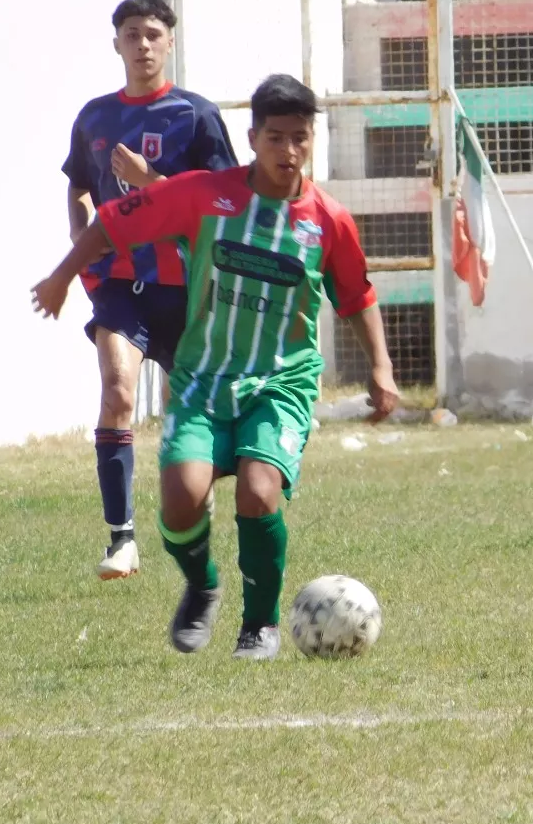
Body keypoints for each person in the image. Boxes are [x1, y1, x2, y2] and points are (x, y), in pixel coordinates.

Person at [33, 74, 400, 660]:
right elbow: (113, 222)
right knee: (181, 499)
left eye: (300, 138)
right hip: (204, 377)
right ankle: (202, 584)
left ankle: (260, 626)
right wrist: (60, 275)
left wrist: (381, 368)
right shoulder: (204, 194)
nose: (288, 151)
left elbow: (356, 294)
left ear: (312, 141)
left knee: (258, 491)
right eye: (275, 137)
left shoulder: (328, 220)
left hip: (280, 380)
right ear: (252, 137)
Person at [63, 0, 238, 581]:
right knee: (117, 390)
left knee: (194, 414)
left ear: (170, 42)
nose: (142, 44)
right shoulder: (94, 116)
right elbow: (79, 183)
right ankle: (122, 541)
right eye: (132, 34)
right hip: (117, 281)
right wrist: (81, 235)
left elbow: (224, 205)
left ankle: (193, 498)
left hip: (187, 286)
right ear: (116, 43)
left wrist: (151, 181)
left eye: (153, 34)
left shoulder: (197, 115)